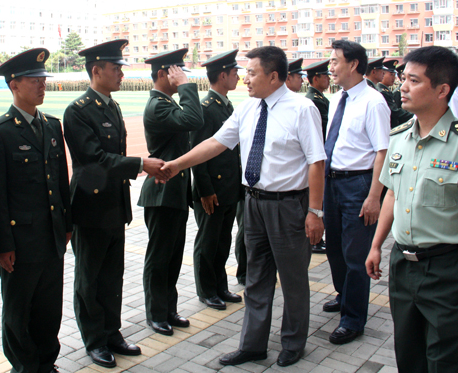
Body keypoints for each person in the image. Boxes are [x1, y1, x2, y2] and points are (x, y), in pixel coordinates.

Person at [160, 46, 326, 367]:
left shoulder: (302, 109)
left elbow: (316, 162)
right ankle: (253, 345)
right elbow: (215, 143)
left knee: (293, 280)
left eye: (251, 73)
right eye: (245, 73)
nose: (245, 79)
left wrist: (315, 212)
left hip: (289, 206)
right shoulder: (248, 108)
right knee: (256, 277)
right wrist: (177, 164)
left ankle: (293, 343)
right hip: (254, 204)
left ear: (273, 77)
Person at [366, 46, 458, 372]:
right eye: (403, 78)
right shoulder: (399, 138)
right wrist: (376, 245)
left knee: (442, 361)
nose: (403, 87)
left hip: (447, 269)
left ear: (442, 90)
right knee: (408, 355)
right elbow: (392, 195)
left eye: (414, 80)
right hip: (403, 265)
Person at [64, 40, 161, 367]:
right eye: (116, 68)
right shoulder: (77, 111)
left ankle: (112, 332)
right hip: (90, 208)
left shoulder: (112, 106)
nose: (121, 74)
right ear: (96, 70)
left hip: (114, 206)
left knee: (112, 275)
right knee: (89, 279)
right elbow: (94, 159)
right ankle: (94, 340)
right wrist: (141, 164)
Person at [0, 48, 72, 373]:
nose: (42, 85)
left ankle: (46, 364)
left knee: (49, 309)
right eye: (34, 80)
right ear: (14, 85)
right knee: (18, 312)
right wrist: (1, 245)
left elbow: (61, 181)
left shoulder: (52, 126)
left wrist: (67, 225)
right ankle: (24, 367)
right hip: (20, 243)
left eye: (43, 79)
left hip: (51, 237)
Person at [323, 40, 390, 345]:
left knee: (355, 255)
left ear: (353, 64)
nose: (331, 67)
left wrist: (374, 197)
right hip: (332, 182)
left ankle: (352, 319)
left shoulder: (373, 102)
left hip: (358, 185)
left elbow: (382, 152)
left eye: (335, 61)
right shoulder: (337, 98)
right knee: (335, 248)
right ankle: (343, 294)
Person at [137, 49, 203, 336]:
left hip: (174, 190)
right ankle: (156, 313)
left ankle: (169, 309)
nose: (182, 75)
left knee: (173, 255)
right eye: (177, 71)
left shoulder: (167, 103)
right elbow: (194, 120)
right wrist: (186, 86)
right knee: (159, 256)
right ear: (163, 74)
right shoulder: (158, 106)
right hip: (161, 191)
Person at [191, 49, 244, 311]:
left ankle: (220, 286)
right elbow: (198, 154)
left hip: (228, 187)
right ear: (222, 75)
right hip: (212, 189)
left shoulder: (226, 105)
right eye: (234, 73)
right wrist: (205, 190)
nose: (238, 77)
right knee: (208, 242)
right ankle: (207, 290)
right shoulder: (206, 109)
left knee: (222, 241)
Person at [304, 59, 331, 254]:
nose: (329, 79)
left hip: (320, 152)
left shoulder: (319, 98)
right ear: (316, 79)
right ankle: (314, 239)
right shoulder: (314, 100)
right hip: (316, 153)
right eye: (325, 76)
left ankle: (316, 239)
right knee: (315, 199)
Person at [380, 59, 413, 128]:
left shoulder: (387, 90)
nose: (394, 77)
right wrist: (414, 115)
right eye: (391, 74)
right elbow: (395, 112)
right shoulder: (382, 92)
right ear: (383, 74)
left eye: (394, 74)